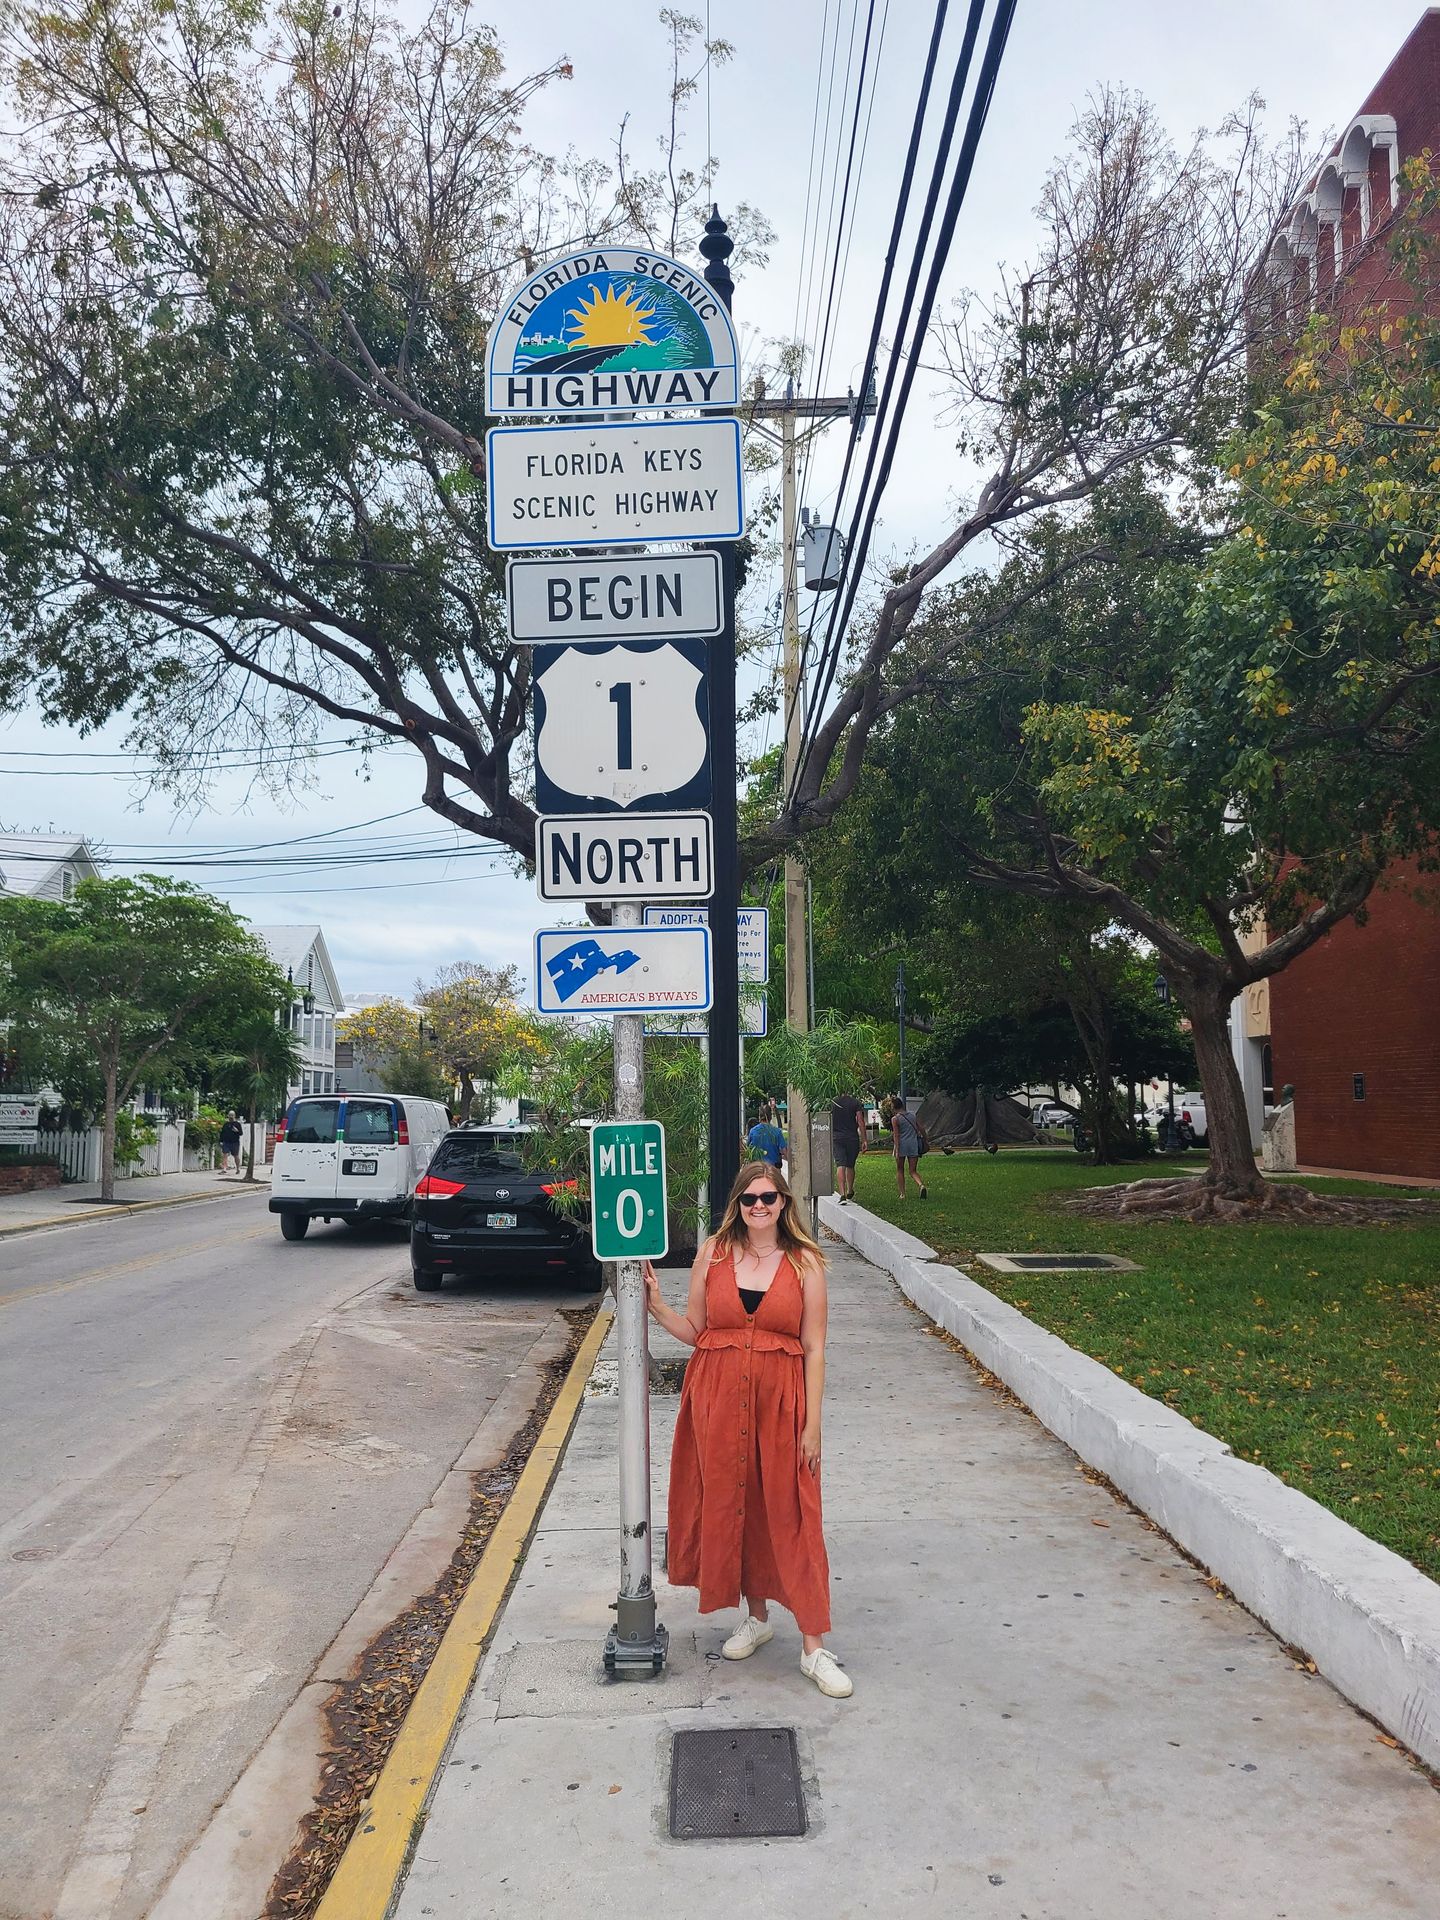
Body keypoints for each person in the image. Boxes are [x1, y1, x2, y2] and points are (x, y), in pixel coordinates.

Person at [644, 1161, 852, 1699]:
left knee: (793, 1512)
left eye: (769, 1198)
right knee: (737, 1503)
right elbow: (696, 1331)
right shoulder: (712, 1254)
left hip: (782, 1406)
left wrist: (814, 1424)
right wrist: (658, 1307)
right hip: (716, 1401)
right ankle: (756, 1617)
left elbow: (816, 1347)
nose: (759, 1207)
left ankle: (813, 1646)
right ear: (736, 1204)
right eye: (749, 1200)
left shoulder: (806, 1264)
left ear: (785, 1202)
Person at [830, 1087, 866, 1204]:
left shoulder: (833, 1102)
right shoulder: (855, 1102)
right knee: (850, 1165)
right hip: (852, 1138)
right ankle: (850, 1190)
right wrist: (864, 1140)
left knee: (840, 1164)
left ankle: (842, 1193)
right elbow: (860, 1120)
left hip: (836, 1138)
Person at [890, 1094, 927, 1199]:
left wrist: (897, 1150)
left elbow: (896, 1135)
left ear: (894, 1108)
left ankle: (902, 1194)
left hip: (902, 1145)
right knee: (912, 1170)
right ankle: (921, 1185)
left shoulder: (895, 1119)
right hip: (913, 1144)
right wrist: (925, 1139)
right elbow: (921, 1128)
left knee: (900, 1169)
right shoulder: (912, 1115)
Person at [744, 1101, 786, 1168]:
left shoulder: (753, 1131)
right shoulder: (777, 1131)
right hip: (773, 1168)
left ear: (759, 1116)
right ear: (770, 1116)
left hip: (757, 1168)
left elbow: (748, 1149)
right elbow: (784, 1150)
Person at [218, 1110, 243, 1175]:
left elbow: (241, 1133)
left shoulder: (237, 1124)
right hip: (226, 1142)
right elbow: (222, 1133)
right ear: (228, 1116)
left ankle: (238, 1168)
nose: (231, 1116)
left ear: (234, 1116)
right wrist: (221, 1141)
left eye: (232, 1115)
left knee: (236, 1156)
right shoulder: (226, 1124)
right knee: (225, 1155)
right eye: (230, 1115)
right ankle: (224, 1169)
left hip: (235, 1142)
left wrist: (237, 1130)